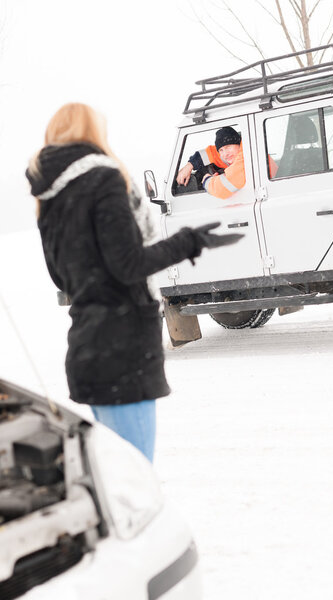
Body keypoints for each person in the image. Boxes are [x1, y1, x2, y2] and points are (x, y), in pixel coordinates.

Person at [26, 103, 243, 462]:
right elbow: (129, 265)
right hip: (122, 350)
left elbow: (61, 277)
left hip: (87, 351)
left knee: (118, 479)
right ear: (93, 134)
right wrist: (188, 242)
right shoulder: (104, 178)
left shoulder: (49, 195)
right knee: (136, 481)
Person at [176, 126, 278, 199]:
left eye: (228, 147)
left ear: (238, 143)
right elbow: (209, 154)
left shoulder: (246, 155)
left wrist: (207, 180)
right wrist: (189, 166)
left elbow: (222, 189)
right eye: (221, 150)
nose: (225, 154)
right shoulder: (234, 153)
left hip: (273, 194)